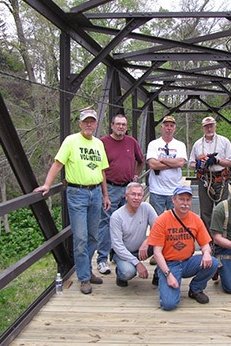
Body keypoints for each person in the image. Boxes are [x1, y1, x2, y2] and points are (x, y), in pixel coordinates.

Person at [34, 109, 110, 294]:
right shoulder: (71, 141)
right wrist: (47, 184)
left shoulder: (99, 144)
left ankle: (88, 271)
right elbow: (58, 164)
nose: (89, 125)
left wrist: (105, 195)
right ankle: (83, 278)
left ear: (96, 124)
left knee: (93, 236)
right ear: (80, 124)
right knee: (81, 238)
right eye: (86, 122)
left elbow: (102, 172)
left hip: (95, 193)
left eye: (92, 121)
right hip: (77, 193)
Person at [147, 185, 219, 311]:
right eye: (181, 199)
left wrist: (207, 253)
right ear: (173, 200)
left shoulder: (196, 219)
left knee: (213, 262)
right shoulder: (162, 220)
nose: (185, 203)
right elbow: (157, 253)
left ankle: (196, 289)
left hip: (187, 261)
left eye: (188, 200)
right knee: (168, 305)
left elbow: (205, 244)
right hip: (169, 264)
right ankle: (161, 275)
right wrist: (168, 275)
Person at [96, 114, 145, 275]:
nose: (121, 127)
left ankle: (120, 255)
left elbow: (141, 160)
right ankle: (102, 259)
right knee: (106, 223)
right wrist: (104, 194)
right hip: (109, 187)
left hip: (127, 188)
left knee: (126, 224)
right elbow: (99, 168)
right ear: (112, 126)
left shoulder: (131, 142)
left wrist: (135, 176)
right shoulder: (103, 143)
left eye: (124, 124)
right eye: (118, 124)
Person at [189, 116, 231, 229]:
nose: (209, 129)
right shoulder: (197, 144)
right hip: (204, 180)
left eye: (211, 126)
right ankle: (208, 240)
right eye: (206, 126)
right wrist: (198, 165)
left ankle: (221, 237)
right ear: (203, 128)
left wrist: (217, 161)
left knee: (222, 210)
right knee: (205, 211)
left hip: (220, 179)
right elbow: (191, 163)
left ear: (215, 126)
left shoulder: (224, 142)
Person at [110, 182, 158, 287]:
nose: (136, 198)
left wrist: (147, 241)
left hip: (142, 249)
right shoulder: (117, 216)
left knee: (166, 242)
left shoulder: (147, 208)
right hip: (123, 253)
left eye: (139, 195)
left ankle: (158, 275)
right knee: (128, 272)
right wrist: (138, 263)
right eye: (133, 194)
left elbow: (159, 228)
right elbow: (117, 246)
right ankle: (120, 273)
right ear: (126, 196)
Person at [146, 115, 187, 215]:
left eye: (171, 126)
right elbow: (153, 164)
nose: (169, 128)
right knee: (156, 222)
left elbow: (181, 163)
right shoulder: (153, 144)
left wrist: (163, 159)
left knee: (175, 221)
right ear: (162, 128)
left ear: (174, 128)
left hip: (175, 190)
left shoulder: (180, 145)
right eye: (166, 125)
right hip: (156, 191)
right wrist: (173, 163)